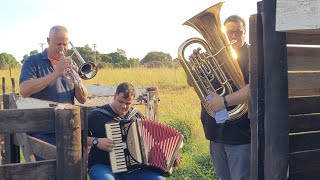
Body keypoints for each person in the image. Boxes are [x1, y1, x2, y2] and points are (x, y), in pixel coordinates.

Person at [188, 15, 250, 180]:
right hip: (215, 132)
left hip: (240, 133)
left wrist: (223, 101)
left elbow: (254, 89)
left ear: (245, 33)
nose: (234, 36)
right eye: (229, 32)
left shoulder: (252, 55)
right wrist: (193, 65)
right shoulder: (212, 54)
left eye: (239, 32)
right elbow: (192, 82)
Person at [19, 25, 88, 147]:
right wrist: (56, 73)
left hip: (68, 126)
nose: (62, 48)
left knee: (82, 161)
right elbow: (24, 90)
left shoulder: (70, 64)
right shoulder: (33, 61)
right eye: (58, 44)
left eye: (65, 44)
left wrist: (77, 81)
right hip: (42, 129)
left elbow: (83, 99)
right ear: (48, 41)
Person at [87, 82, 166, 180]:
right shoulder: (96, 115)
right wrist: (96, 141)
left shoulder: (137, 117)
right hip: (103, 166)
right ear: (115, 96)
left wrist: (167, 158)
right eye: (121, 102)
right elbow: (77, 139)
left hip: (134, 170)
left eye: (128, 103)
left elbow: (152, 143)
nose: (124, 106)